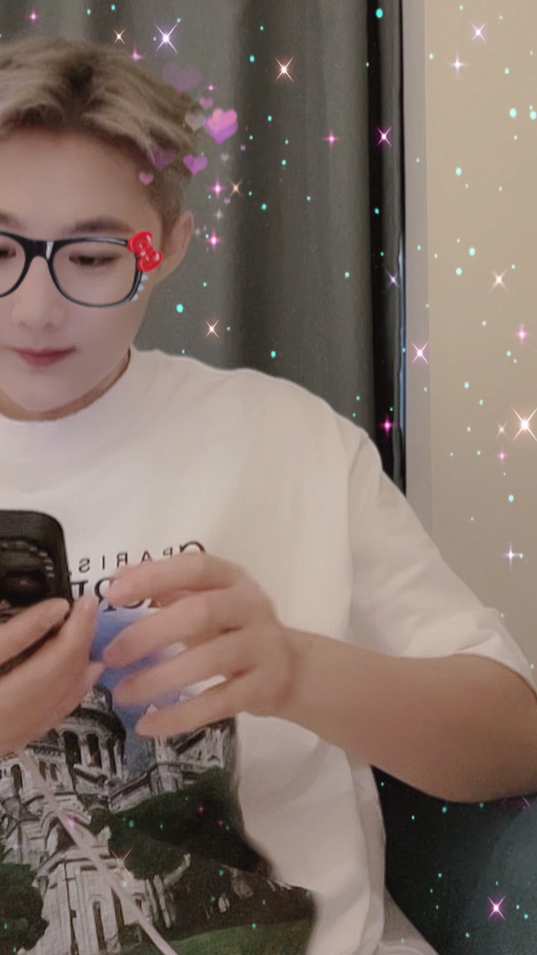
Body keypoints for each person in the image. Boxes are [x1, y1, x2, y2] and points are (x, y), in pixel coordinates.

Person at [0, 34, 535, 955]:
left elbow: (511, 740)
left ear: (167, 248)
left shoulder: (291, 442)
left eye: (91, 257)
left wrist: (290, 670)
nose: (34, 308)